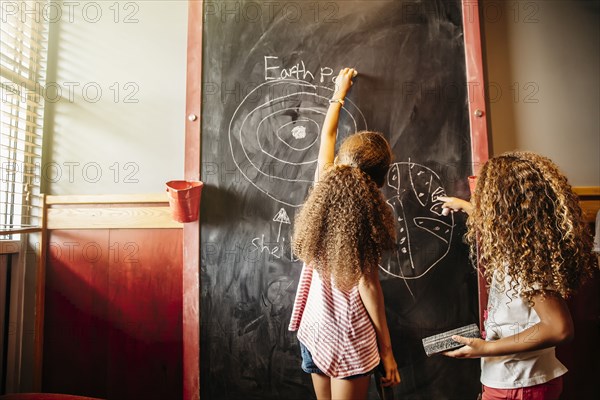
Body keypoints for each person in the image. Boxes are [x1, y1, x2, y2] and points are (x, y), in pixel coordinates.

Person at [439, 151, 598, 400]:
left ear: (504, 207)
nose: (480, 201)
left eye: (487, 198)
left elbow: (558, 328)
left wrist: (487, 349)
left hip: (519, 385)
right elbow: (494, 224)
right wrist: (467, 208)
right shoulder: (520, 245)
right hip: (515, 381)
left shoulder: (528, 264)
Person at [288, 68, 401, 400]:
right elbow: (367, 286)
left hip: (314, 328)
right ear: (379, 179)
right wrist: (387, 351)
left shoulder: (324, 184)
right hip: (348, 334)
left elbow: (327, 137)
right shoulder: (367, 219)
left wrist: (339, 93)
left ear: (341, 160)